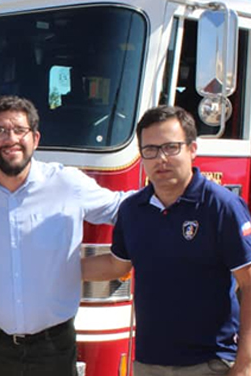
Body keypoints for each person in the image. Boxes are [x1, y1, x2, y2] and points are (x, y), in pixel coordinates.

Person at [0, 95, 127, 376]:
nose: (10, 138)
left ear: (35, 138)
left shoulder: (67, 184)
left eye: (19, 130)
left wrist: (180, 197)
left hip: (54, 349)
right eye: (0, 131)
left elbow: (124, 209)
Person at [82, 105, 251, 376]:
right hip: (149, 364)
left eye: (171, 147)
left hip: (210, 363)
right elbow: (117, 266)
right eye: (150, 150)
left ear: (192, 149)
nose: (161, 158)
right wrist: (53, 269)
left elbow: (249, 282)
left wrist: (245, 365)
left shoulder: (222, 206)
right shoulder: (133, 210)